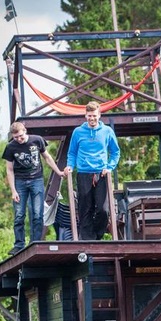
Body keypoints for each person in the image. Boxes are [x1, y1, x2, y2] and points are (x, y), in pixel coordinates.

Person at [2, 122, 69, 256]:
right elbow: (9, 170)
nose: (19, 139)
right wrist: (13, 190)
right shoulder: (10, 147)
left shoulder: (37, 140)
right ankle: (19, 244)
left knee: (37, 214)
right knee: (19, 214)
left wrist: (59, 172)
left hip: (36, 181)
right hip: (20, 182)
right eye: (16, 137)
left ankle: (35, 242)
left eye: (21, 136)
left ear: (25, 131)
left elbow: (47, 158)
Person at [64, 101, 120, 240]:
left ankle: (97, 235)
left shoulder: (107, 131)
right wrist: (70, 165)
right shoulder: (78, 132)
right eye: (89, 116)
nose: (92, 119)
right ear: (85, 116)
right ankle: (88, 240)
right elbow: (72, 153)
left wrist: (109, 167)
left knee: (103, 210)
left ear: (99, 115)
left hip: (101, 173)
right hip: (83, 173)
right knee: (85, 208)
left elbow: (115, 152)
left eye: (94, 116)